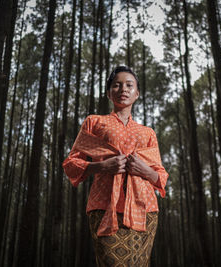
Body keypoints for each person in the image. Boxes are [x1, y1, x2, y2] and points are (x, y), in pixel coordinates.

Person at [63, 66, 168, 267]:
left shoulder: (147, 133)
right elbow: (71, 164)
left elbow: (160, 177)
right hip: (104, 206)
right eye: (117, 85)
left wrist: (143, 169)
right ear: (108, 92)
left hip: (144, 209)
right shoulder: (94, 122)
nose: (123, 89)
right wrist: (102, 166)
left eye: (129, 85)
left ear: (137, 94)